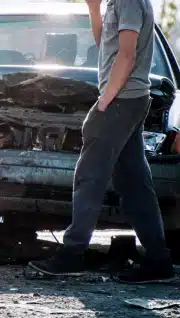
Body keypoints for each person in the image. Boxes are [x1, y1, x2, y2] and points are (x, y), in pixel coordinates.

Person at [28, 0, 175, 284]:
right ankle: (159, 261)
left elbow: (127, 55)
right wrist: (94, 10)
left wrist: (105, 101)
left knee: (89, 176)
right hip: (127, 100)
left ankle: (71, 254)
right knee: (134, 182)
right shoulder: (115, 3)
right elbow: (106, 47)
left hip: (122, 100)